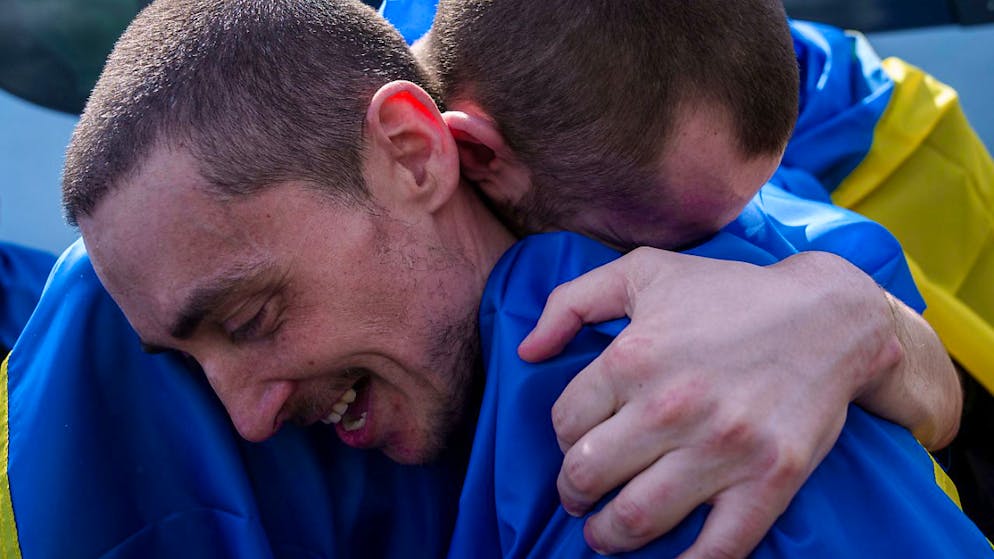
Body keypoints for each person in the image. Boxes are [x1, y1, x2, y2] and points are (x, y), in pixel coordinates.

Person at [45, 0, 988, 557]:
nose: (242, 413)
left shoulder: (657, 142)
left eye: (253, 319)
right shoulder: (157, 253)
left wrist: (854, 318)